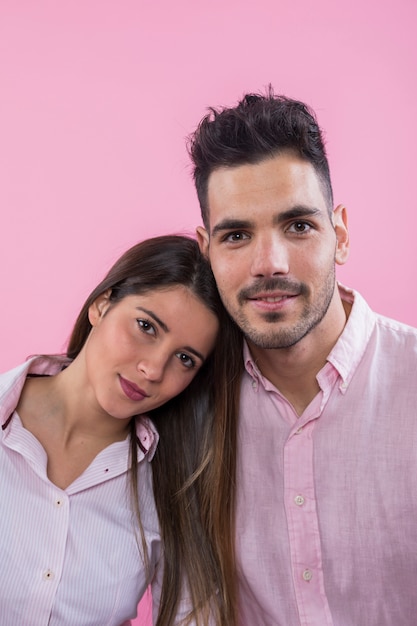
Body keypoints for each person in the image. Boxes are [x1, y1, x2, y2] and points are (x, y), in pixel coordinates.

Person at [187, 88, 417, 626]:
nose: (269, 263)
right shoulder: (184, 403)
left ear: (339, 234)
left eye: (298, 226)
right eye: (237, 235)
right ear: (207, 252)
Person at [0, 234, 237, 626]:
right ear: (101, 304)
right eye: (146, 326)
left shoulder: (175, 483)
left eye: (185, 358)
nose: (154, 370)